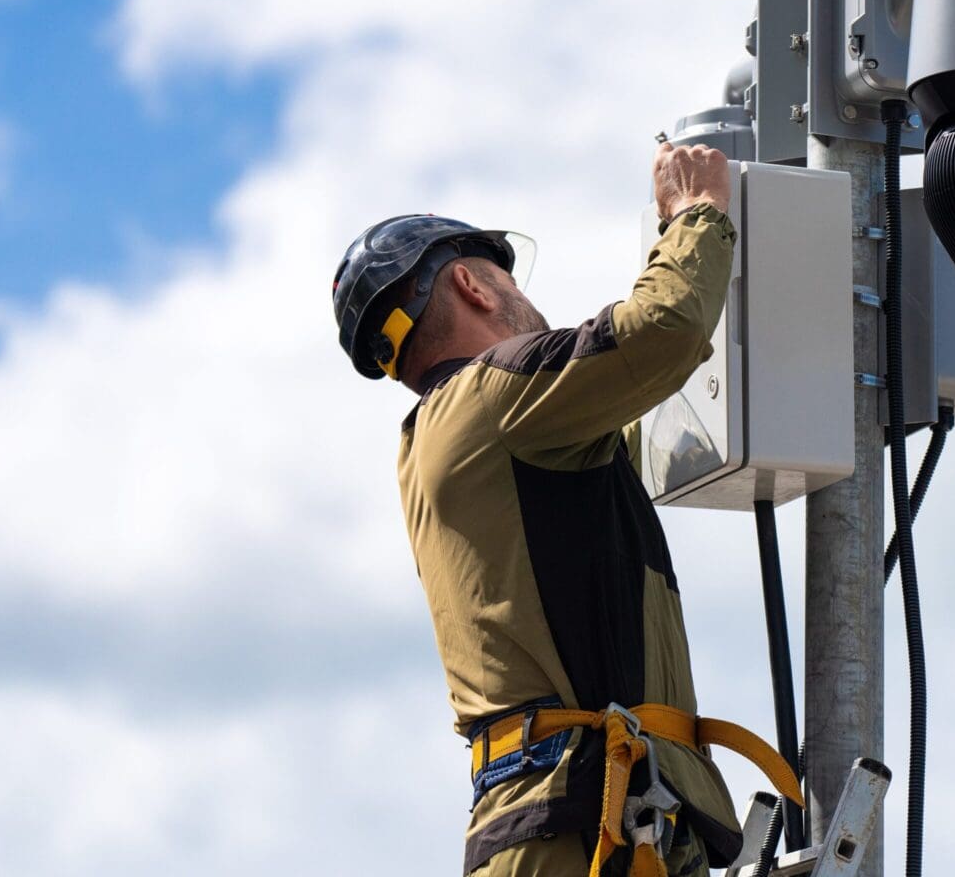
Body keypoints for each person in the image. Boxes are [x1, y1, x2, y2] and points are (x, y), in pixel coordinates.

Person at [331, 143, 797, 876]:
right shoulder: (496, 396)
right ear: (471, 285)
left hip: (572, 817)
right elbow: (662, 331)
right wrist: (695, 217)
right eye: (505, 277)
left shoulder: (441, 440)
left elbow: (637, 422)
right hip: (581, 818)